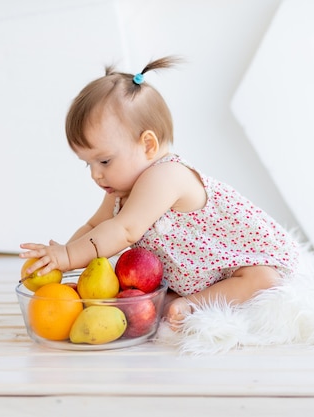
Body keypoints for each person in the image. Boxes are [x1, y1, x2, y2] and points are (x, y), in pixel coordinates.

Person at [19, 56, 299, 329]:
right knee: (145, 301)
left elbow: (124, 230)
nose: (95, 174)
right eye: (88, 164)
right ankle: (182, 300)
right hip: (197, 273)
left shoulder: (166, 176)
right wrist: (60, 265)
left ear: (148, 145)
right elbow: (95, 226)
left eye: (104, 161)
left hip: (240, 262)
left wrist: (67, 255)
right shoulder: (120, 190)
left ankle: (194, 304)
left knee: (264, 280)